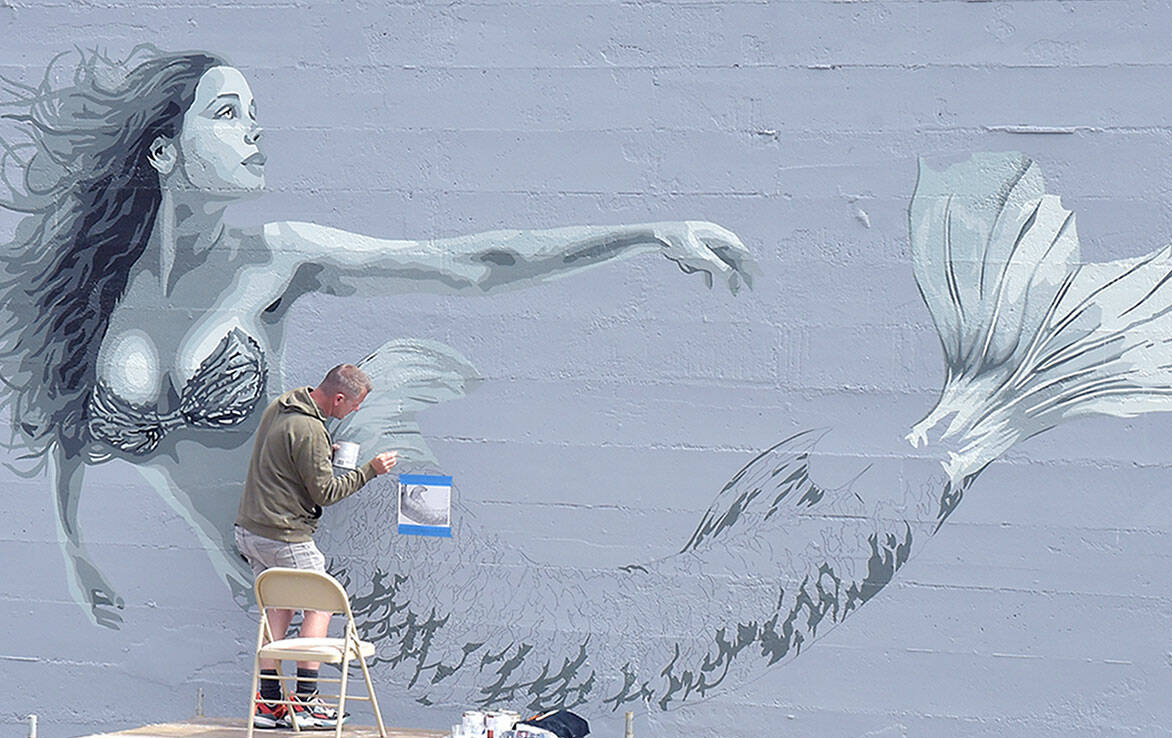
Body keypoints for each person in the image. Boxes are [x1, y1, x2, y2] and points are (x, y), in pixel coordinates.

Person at [0, 46, 756, 628]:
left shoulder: (276, 256)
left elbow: (469, 265)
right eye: (226, 113)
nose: (255, 128)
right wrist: (73, 554)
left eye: (254, 111)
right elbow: (68, 423)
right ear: (162, 151)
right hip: (216, 571)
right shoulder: (94, 291)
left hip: (306, 548)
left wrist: (646, 233)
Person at [235, 363, 398, 728]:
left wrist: (322, 453)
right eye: (353, 405)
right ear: (338, 398)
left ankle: (268, 704)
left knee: (277, 611)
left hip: (251, 530)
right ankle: (307, 702)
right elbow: (325, 492)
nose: (354, 411)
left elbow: (286, 455)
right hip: (284, 534)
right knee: (321, 604)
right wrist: (370, 470)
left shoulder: (284, 406)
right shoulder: (310, 429)